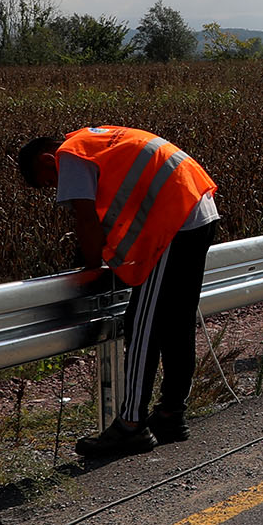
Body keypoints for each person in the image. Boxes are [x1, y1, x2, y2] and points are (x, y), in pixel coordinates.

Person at [17, 126, 219, 459]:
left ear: (46, 159)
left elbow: (86, 219)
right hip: (198, 209)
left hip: (175, 220)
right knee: (175, 320)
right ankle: (170, 415)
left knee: (142, 325)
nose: (56, 188)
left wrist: (90, 266)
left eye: (48, 181)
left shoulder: (71, 154)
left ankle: (131, 426)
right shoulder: (94, 140)